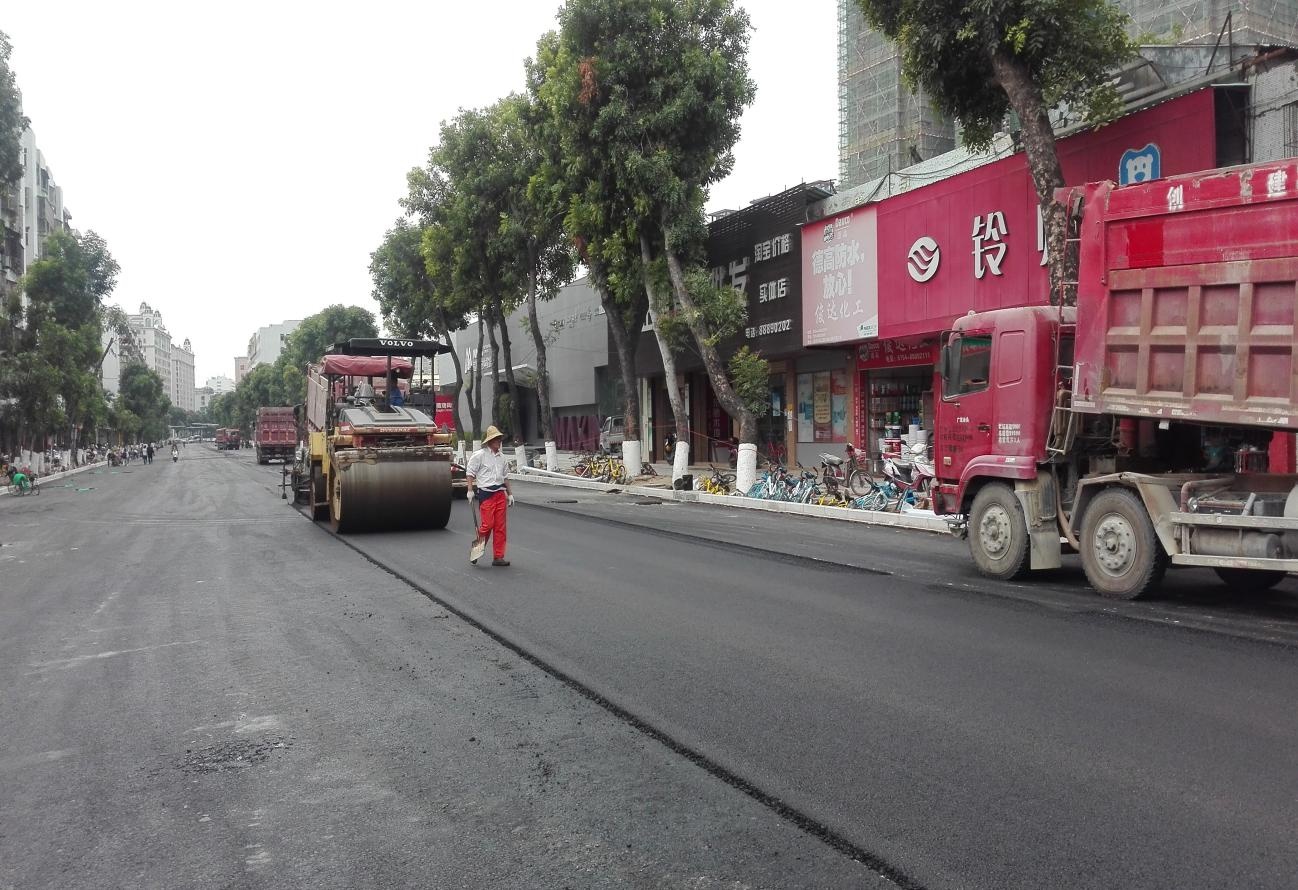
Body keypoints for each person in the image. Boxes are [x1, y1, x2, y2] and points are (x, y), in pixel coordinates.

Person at [466, 425, 514, 567]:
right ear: (490, 441)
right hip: (486, 494)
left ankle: (498, 557)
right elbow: (470, 473)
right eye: (496, 439)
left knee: (500, 527)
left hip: (500, 493)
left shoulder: (502, 458)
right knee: (488, 525)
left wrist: (510, 494)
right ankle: (477, 549)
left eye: (500, 439)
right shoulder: (480, 455)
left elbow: (505, 477)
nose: (499, 442)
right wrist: (470, 490)